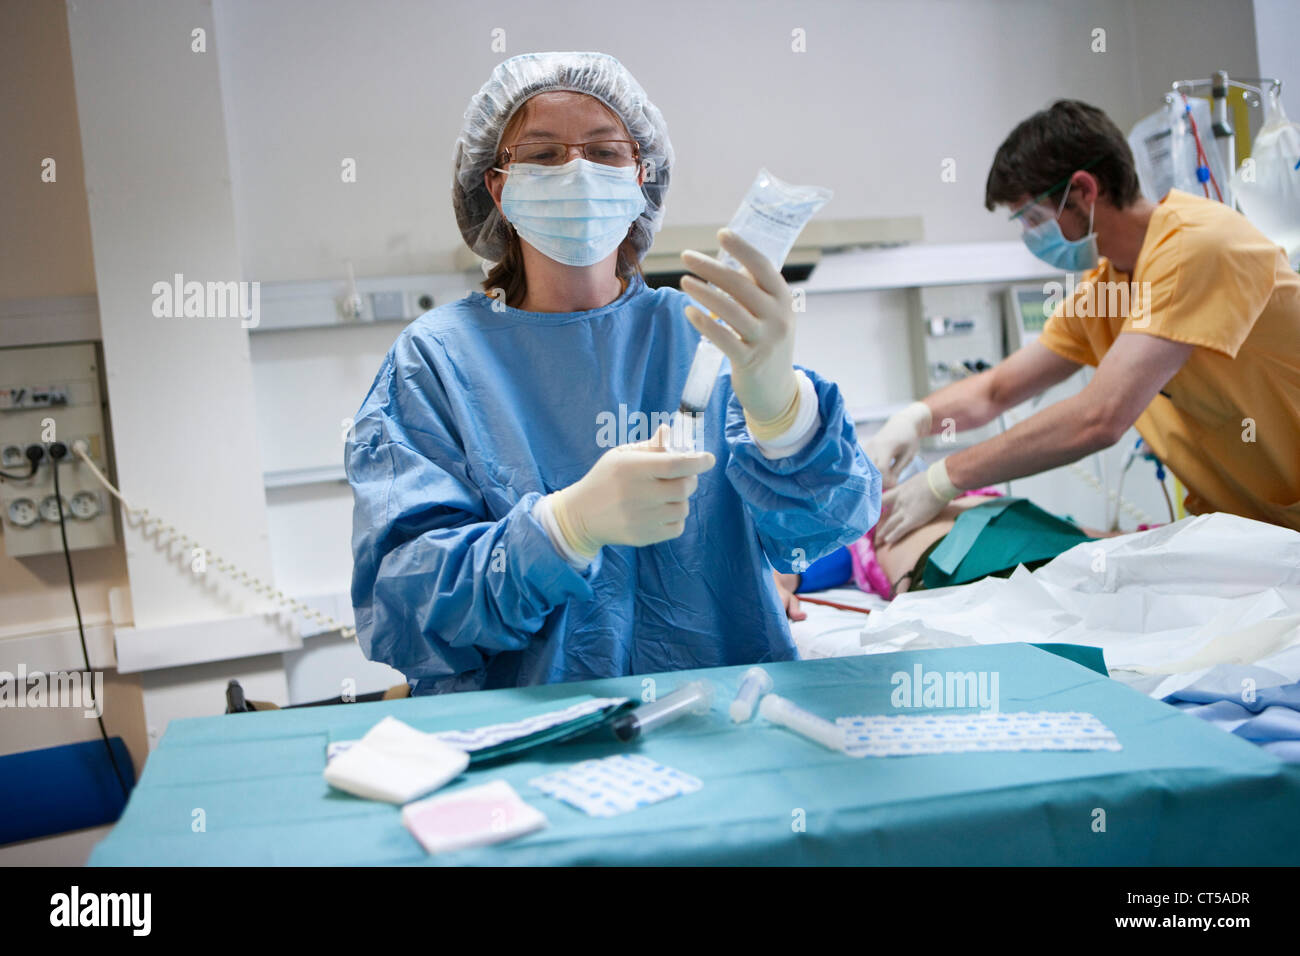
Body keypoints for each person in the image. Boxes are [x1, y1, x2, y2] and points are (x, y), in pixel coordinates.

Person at [345, 52, 879, 694]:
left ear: (640, 175)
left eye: (604, 152)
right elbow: (409, 604)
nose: (575, 171)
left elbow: (827, 524)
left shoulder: (707, 336)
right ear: (497, 185)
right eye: (543, 155)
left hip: (726, 723)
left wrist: (782, 413)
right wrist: (564, 529)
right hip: (529, 739)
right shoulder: (436, 361)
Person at [866, 100, 1300, 543]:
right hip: (1257, 533)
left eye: (1033, 218)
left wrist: (946, 477)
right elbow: (996, 391)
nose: (1029, 237)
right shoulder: (1106, 290)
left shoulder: (1198, 246)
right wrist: (916, 419)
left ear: (1083, 191)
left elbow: (1100, 417)